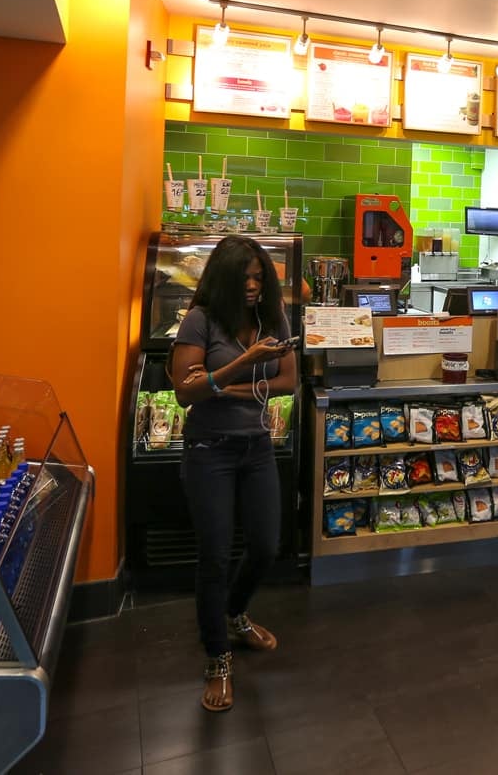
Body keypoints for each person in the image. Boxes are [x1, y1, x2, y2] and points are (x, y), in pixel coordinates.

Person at [169, 235, 296, 712]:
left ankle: (236, 612)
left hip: (257, 447)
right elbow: (185, 391)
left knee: (265, 546)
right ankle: (217, 657)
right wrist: (245, 364)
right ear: (223, 277)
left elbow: (288, 381)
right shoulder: (200, 320)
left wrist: (224, 387)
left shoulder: (272, 317)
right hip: (209, 450)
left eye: (259, 278)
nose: (252, 285)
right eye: (244, 278)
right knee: (215, 557)